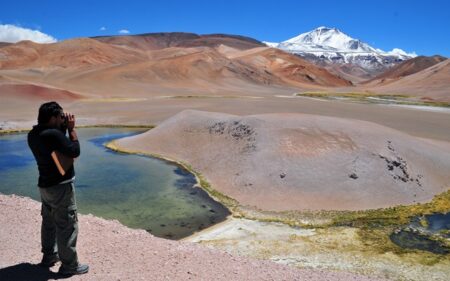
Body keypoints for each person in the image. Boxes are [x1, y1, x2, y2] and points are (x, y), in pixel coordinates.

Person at [27, 101, 89, 276]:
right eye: (60, 116)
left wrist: (61, 127)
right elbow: (74, 151)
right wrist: (71, 129)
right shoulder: (53, 134)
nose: (63, 118)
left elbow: (55, 142)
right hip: (61, 187)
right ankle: (70, 266)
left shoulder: (34, 134)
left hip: (45, 186)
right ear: (53, 117)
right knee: (66, 225)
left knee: (49, 223)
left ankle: (49, 256)